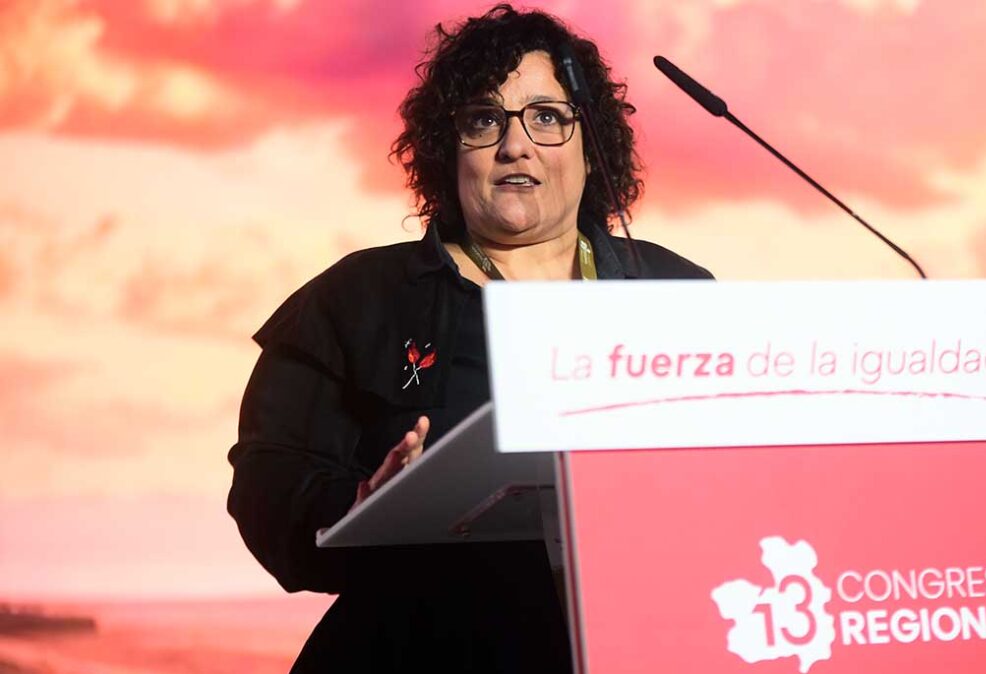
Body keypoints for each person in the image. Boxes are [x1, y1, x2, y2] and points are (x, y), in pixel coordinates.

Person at [226, 4, 712, 672]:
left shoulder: (679, 294)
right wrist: (362, 502)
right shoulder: (357, 299)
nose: (516, 145)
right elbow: (266, 483)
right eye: (485, 119)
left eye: (547, 116)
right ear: (445, 149)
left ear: (592, 145)